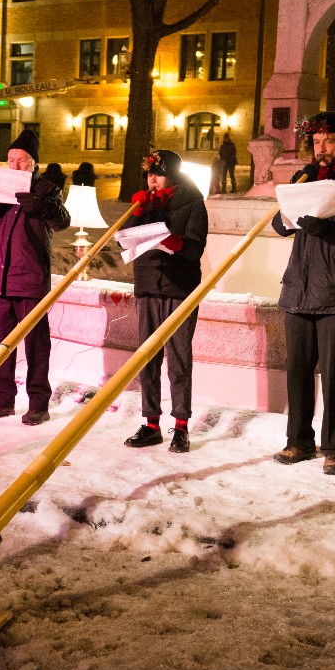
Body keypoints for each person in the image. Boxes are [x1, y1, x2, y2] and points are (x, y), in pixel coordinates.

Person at [270, 111, 335, 476]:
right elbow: (280, 224)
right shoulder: (305, 177)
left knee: (333, 374)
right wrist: (285, 217)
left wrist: (323, 227)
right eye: (316, 142)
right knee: (297, 371)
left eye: (329, 141)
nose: (322, 148)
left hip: (334, 289)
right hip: (298, 286)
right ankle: (298, 441)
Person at [0, 129, 70, 425]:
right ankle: (2, 399)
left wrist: (40, 206)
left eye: (21, 160)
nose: (14, 165)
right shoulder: (0, 191)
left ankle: (38, 404)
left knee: (36, 345)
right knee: (0, 345)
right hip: (0, 280)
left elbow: (62, 222)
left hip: (30, 280)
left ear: (33, 163)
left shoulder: (45, 189)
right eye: (10, 160)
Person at [122, 149, 208, 452]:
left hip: (178, 288)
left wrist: (175, 242)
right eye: (149, 174)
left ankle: (181, 426)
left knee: (179, 360)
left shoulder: (193, 203)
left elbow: (195, 248)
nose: (152, 179)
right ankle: (151, 424)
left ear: (172, 176)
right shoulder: (145, 203)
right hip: (147, 284)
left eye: (157, 174)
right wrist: (136, 211)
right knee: (148, 358)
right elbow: (127, 238)